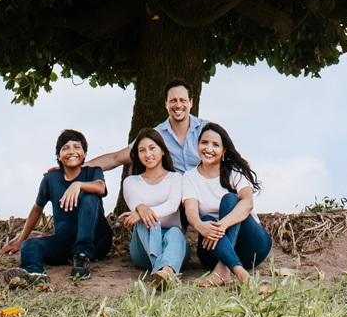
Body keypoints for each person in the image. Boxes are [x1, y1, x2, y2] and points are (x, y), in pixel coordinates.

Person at [0, 129, 112, 285]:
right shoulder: (50, 179)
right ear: (59, 156)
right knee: (31, 244)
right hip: (67, 239)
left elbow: (100, 187)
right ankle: (33, 273)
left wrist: (78, 185)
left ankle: (82, 256)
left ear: (84, 154)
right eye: (65, 148)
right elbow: (37, 209)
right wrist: (19, 242)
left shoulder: (93, 172)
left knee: (88, 195)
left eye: (76, 147)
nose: (71, 151)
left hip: (96, 238)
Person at [181, 122, 272, 286]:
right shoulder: (189, 177)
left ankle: (224, 270)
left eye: (215, 145)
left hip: (251, 246)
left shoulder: (233, 172)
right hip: (214, 252)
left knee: (230, 200)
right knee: (208, 218)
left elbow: (248, 203)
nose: (209, 149)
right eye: (204, 143)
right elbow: (191, 211)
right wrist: (199, 225)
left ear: (223, 151)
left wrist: (222, 225)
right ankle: (237, 270)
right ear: (198, 145)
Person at [88, 80, 208, 175]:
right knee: (134, 167)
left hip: (204, 192)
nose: (178, 105)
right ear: (165, 104)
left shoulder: (207, 129)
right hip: (173, 197)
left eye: (182, 100)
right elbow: (116, 158)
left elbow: (225, 156)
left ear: (191, 103)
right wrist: (79, 169)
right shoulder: (156, 135)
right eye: (173, 100)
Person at [120, 127, 187, 288]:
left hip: (174, 248)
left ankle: (166, 271)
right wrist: (141, 210)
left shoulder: (175, 178)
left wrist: (143, 211)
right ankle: (161, 268)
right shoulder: (131, 181)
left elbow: (172, 206)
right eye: (142, 150)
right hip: (142, 250)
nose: (148, 154)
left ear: (163, 151)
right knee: (146, 220)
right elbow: (134, 201)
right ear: (137, 155)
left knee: (176, 232)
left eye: (152, 148)